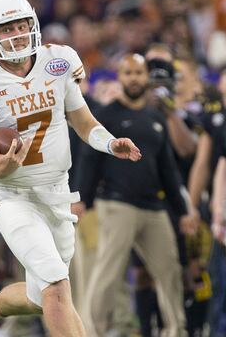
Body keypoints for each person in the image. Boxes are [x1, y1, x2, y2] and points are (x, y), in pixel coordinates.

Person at [0, 0, 141, 337]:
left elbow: (82, 121)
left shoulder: (60, 61)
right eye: (6, 29)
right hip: (14, 197)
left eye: (21, 25)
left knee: (44, 296)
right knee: (56, 287)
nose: (17, 34)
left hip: (59, 194)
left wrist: (110, 142)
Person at [78, 54, 191, 337]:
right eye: (128, 73)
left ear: (146, 77)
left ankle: (176, 330)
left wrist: (184, 209)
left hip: (153, 205)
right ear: (120, 77)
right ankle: (92, 331)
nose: (134, 78)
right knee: (108, 272)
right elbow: (89, 159)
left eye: (138, 73)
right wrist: (83, 199)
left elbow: (168, 168)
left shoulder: (156, 117)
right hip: (116, 203)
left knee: (170, 271)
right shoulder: (106, 114)